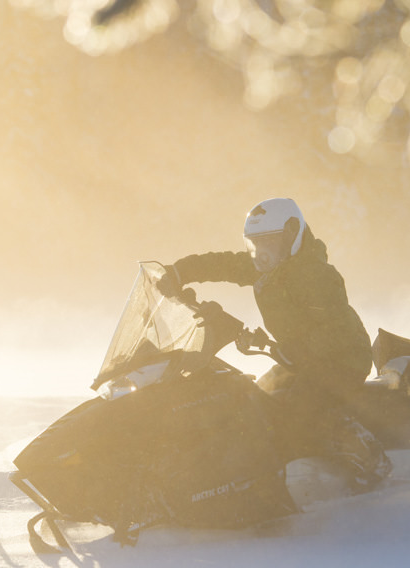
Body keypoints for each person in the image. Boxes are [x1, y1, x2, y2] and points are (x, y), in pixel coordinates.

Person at [158, 197, 391, 491]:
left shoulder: (316, 274)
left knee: (303, 407)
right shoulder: (270, 266)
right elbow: (226, 264)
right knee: (261, 399)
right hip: (302, 357)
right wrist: (182, 271)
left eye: (269, 241)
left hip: (344, 358)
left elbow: (337, 330)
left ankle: (367, 457)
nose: (261, 253)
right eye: (255, 244)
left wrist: (296, 349)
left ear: (292, 234)